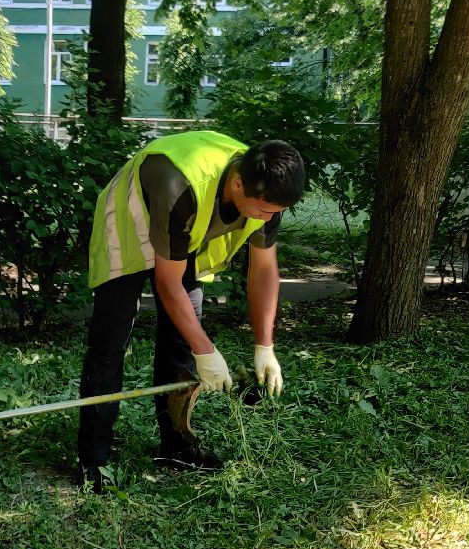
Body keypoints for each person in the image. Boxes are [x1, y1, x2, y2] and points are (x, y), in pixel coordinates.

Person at [76, 131, 306, 491]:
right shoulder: (182, 187)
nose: (268, 218)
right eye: (264, 211)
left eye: (276, 213)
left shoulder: (268, 193)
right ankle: (94, 459)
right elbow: (168, 284)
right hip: (131, 217)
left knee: (182, 340)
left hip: (182, 232)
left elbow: (264, 271)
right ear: (236, 184)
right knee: (111, 339)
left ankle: (176, 446)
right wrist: (207, 350)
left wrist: (265, 346)